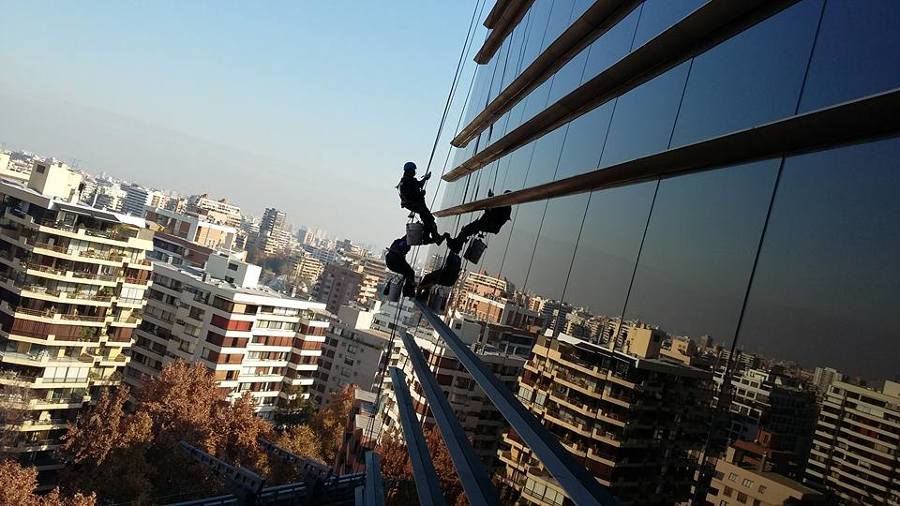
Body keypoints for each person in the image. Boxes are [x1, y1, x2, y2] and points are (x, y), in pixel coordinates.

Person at [447, 189, 512, 252]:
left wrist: (490, 205)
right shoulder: (504, 206)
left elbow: (494, 215)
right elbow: (494, 211)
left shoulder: (506, 208)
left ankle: (457, 246)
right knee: (467, 229)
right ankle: (457, 244)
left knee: (467, 229)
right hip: (487, 224)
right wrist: (491, 201)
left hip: (489, 224)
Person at [397, 161, 445, 245]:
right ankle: (429, 237)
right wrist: (421, 194)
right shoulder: (407, 182)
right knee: (429, 220)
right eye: (414, 170)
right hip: (415, 204)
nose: (415, 172)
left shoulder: (407, 180)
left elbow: (418, 185)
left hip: (414, 204)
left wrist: (425, 179)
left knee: (429, 219)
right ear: (410, 171)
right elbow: (412, 195)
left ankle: (434, 237)